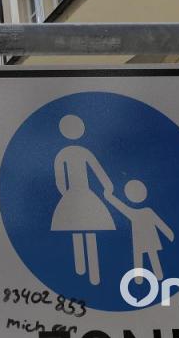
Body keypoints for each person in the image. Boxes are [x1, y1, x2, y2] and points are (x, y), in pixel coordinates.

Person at [50, 114, 115, 286]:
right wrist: (107, 186)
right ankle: (84, 272)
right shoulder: (68, 154)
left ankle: (90, 272)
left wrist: (67, 194)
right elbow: (60, 178)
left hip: (77, 195)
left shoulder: (68, 153)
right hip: (78, 195)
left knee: (85, 230)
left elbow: (95, 171)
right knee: (82, 231)